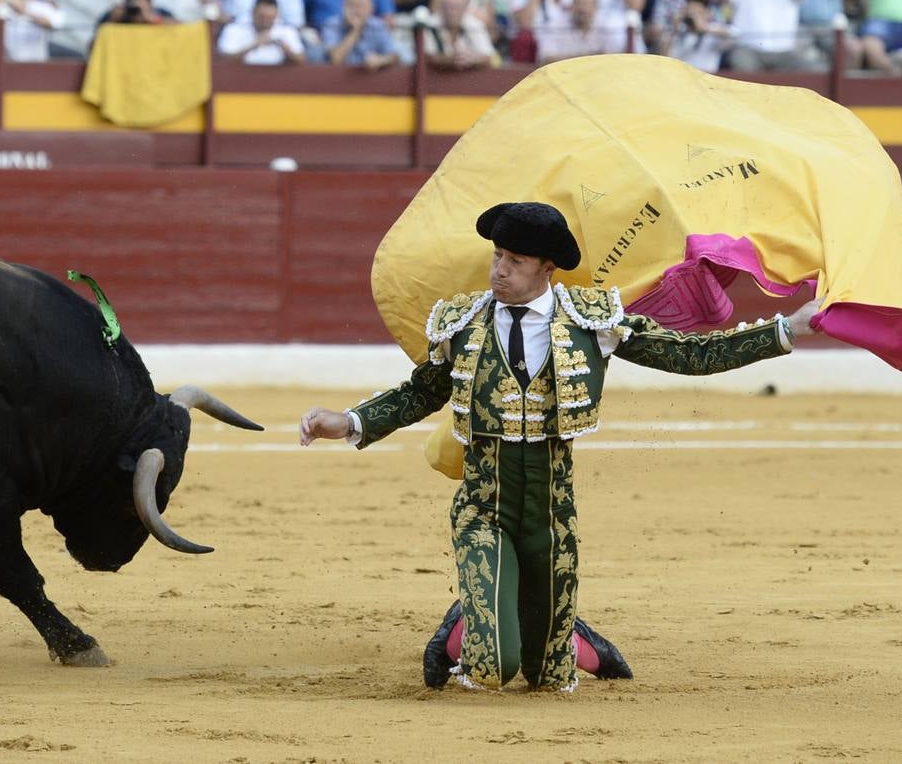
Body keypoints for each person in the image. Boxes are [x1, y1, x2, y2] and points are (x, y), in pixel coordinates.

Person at [298, 202, 820, 691]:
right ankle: (466, 624)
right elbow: (422, 391)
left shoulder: (593, 322)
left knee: (548, 677)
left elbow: (691, 355)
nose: (499, 270)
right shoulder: (462, 323)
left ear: (547, 268)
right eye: (497, 257)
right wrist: (348, 421)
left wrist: (785, 330)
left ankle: (569, 637)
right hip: (485, 507)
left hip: (551, 512)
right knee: (492, 669)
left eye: (515, 261)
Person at [536, 0, 624, 61]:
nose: (583, 9)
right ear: (572, 5)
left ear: (596, 7)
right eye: (580, 3)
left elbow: (614, 58)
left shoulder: (605, 27)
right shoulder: (555, 25)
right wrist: (590, 57)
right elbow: (546, 58)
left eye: (588, 4)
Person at [321, 0, 399, 69]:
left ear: (371, 8)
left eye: (361, 6)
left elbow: (394, 56)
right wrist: (356, 31)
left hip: (371, 78)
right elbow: (335, 59)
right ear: (343, 7)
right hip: (337, 79)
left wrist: (382, 60)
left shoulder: (378, 26)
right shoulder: (332, 25)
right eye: (351, 5)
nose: (356, 11)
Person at [216, 0, 305, 64]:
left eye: (270, 18)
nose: (265, 22)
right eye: (262, 17)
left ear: (277, 15)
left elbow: (302, 60)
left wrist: (286, 49)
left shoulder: (287, 32)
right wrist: (254, 45)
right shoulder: (234, 30)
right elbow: (224, 59)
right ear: (253, 12)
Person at [424, 0, 499, 69]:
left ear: (464, 9)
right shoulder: (431, 24)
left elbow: (489, 56)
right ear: (442, 8)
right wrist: (450, 60)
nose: (451, 11)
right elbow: (425, 56)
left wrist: (472, 59)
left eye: (456, 7)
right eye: (448, 6)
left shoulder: (474, 24)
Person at [666, 0, 731, 71]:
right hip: (683, 77)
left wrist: (704, 28)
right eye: (690, 11)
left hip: (707, 78)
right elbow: (666, 59)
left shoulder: (713, 31)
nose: (693, 16)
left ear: (707, 12)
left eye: (697, 12)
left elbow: (734, 34)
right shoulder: (680, 32)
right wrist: (673, 30)